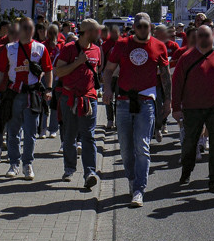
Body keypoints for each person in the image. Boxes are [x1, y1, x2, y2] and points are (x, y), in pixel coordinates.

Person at [102, 12, 171, 207]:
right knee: (125, 148)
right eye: (139, 26)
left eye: (145, 26)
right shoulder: (122, 45)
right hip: (123, 101)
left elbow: (165, 75)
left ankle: (139, 189)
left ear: (150, 27)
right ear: (134, 27)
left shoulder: (159, 46)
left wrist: (168, 100)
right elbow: (108, 70)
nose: (142, 29)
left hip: (146, 102)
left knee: (142, 146)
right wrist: (107, 89)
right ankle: (132, 180)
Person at [172, 24, 214, 194]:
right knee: (189, 143)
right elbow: (177, 84)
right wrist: (176, 107)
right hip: (192, 108)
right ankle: (186, 171)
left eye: (206, 35)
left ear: (212, 37)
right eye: (200, 36)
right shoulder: (186, 58)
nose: (203, 39)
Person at [0, 17, 54, 180]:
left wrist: (48, 89)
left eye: (30, 27)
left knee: (30, 132)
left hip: (32, 94)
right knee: (13, 132)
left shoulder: (40, 48)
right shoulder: (9, 48)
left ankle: (27, 164)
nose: (28, 30)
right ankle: (14, 164)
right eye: (25, 27)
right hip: (14, 94)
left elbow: (48, 70)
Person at [53, 18, 102, 189]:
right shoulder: (68, 49)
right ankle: (69, 169)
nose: (99, 34)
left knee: (88, 136)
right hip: (69, 98)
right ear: (87, 32)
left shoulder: (97, 50)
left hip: (89, 99)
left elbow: (96, 71)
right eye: (96, 31)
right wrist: (77, 63)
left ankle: (90, 173)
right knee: (69, 135)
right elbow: (59, 71)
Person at [101, 25, 121, 128]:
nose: (114, 35)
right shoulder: (105, 45)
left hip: (120, 76)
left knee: (119, 99)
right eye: (112, 33)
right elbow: (102, 59)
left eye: (115, 32)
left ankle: (118, 120)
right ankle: (110, 120)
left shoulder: (123, 43)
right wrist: (101, 73)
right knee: (108, 98)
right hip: (108, 75)